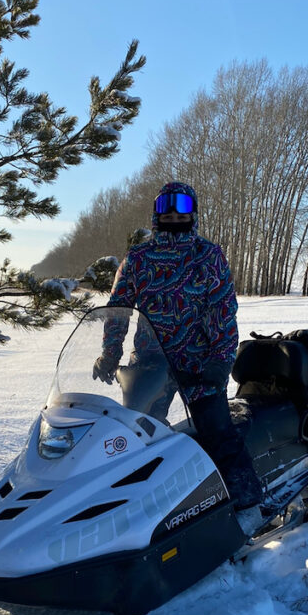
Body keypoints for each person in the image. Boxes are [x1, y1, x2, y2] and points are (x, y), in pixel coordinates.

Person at [93, 181, 263, 515]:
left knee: (217, 431)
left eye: (181, 205)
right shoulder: (138, 258)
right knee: (136, 439)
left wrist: (221, 360)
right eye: (165, 205)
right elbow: (117, 309)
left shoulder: (208, 256)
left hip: (198, 364)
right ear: (155, 213)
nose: (173, 212)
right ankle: (141, 511)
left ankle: (247, 505)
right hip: (149, 363)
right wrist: (109, 354)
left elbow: (223, 313)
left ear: (193, 211)